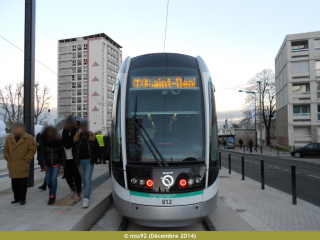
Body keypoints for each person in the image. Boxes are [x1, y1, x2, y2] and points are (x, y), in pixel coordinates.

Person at [4, 122, 36, 205]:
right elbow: (6, 149)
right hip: (13, 163)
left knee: (22, 183)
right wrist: (8, 157)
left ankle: (22, 199)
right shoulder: (9, 138)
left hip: (23, 163)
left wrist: (27, 159)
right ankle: (16, 198)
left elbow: (32, 150)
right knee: (14, 183)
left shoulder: (28, 138)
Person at [73, 120, 99, 208]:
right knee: (84, 179)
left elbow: (97, 149)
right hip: (80, 161)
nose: (84, 128)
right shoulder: (77, 138)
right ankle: (87, 191)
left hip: (89, 161)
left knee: (87, 179)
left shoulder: (92, 137)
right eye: (82, 127)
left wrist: (94, 158)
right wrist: (75, 159)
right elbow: (74, 150)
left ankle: (86, 198)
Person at [41, 126, 66, 205]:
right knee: (48, 181)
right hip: (48, 164)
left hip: (57, 163)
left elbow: (62, 153)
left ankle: (52, 196)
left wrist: (63, 163)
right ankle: (51, 191)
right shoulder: (44, 142)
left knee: (53, 180)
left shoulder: (58, 142)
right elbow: (42, 154)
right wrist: (44, 164)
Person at [59, 116, 82, 202]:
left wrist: (77, 137)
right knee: (67, 176)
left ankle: (78, 193)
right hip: (66, 159)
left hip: (75, 159)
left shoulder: (77, 132)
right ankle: (72, 189)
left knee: (77, 177)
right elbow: (61, 145)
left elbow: (80, 145)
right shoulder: (62, 132)